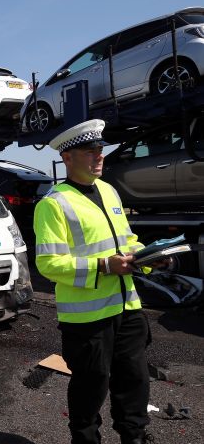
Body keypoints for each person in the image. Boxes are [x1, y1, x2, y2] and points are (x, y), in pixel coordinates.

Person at [34, 119, 165, 444]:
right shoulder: (53, 204)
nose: (99, 156)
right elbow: (48, 264)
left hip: (128, 309)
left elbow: (126, 240)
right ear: (68, 158)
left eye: (100, 149)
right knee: (91, 387)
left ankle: (134, 437)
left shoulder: (108, 191)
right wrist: (104, 266)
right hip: (87, 320)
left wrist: (147, 258)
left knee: (134, 381)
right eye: (90, 151)